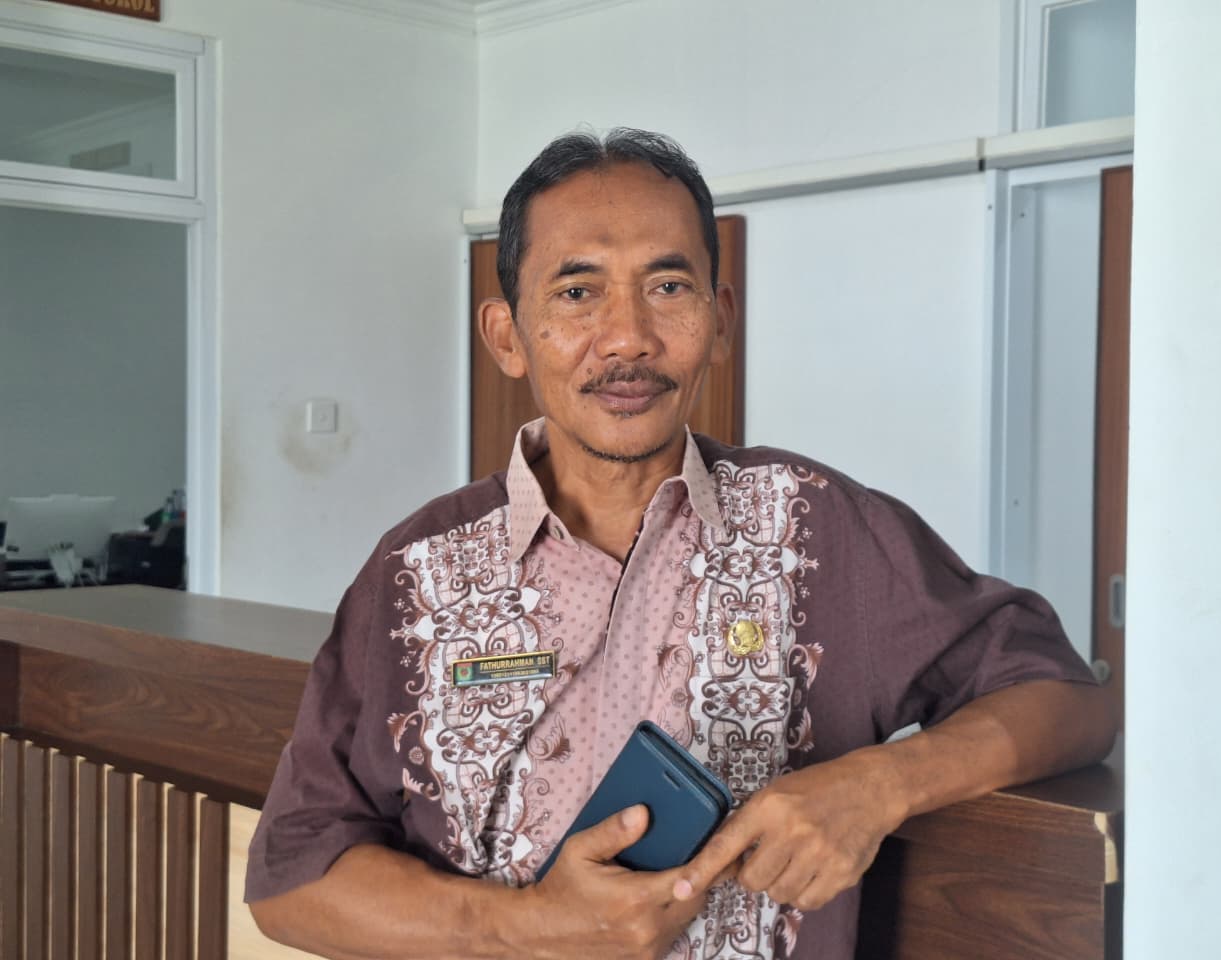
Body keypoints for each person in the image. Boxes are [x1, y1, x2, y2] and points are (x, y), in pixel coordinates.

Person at [246, 128, 1117, 960]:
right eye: (577, 292)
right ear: (508, 337)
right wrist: (526, 928)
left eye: (668, 287)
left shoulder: (815, 529)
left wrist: (882, 784)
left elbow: (1067, 698)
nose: (629, 337)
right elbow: (292, 880)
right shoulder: (416, 574)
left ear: (720, 318)